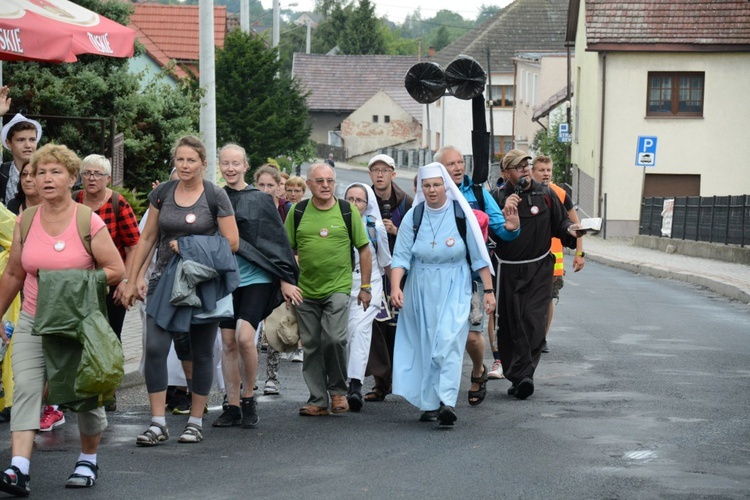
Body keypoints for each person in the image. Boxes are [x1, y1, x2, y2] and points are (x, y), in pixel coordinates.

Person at [0, 144, 124, 493]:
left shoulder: (88, 220)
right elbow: (13, 274)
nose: (46, 178)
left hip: (77, 324)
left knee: (83, 394)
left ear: (72, 179)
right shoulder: (25, 219)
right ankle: (19, 468)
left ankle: (88, 459)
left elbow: (115, 269)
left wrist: (71, 282)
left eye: (56, 172)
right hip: (32, 320)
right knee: (25, 388)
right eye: (40, 172)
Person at [121, 135, 239, 445]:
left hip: (203, 285)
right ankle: (158, 422)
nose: (184, 165)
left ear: (203, 163)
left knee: (201, 353)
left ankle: (195, 421)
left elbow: (232, 242)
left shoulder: (215, 197)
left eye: (191, 160)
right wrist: (132, 279)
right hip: (163, 282)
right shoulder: (162, 193)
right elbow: (146, 239)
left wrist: (187, 246)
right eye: (180, 159)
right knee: (156, 349)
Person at [389, 162, 504, 427]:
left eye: (436, 185)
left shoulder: (460, 215)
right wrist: (396, 287)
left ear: (446, 187)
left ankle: (447, 402)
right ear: (421, 188)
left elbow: (479, 257)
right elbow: (401, 257)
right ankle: (430, 403)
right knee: (426, 344)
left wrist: (488, 291)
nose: (432, 191)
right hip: (420, 285)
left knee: (449, 341)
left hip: (455, 282)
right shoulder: (413, 216)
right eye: (426, 186)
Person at [213, 144, 301, 428]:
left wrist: (286, 278)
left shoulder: (261, 199)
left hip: (257, 278)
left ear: (245, 166)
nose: (230, 168)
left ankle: (249, 396)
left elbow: (277, 242)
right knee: (227, 343)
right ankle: (233, 403)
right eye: (225, 163)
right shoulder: (214, 197)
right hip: (225, 278)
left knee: (243, 337)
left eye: (235, 163)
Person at [490, 149, 582, 400]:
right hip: (507, 269)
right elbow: (487, 233)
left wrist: (571, 231)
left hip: (540, 268)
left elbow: (560, 223)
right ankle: (516, 374)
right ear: (506, 172)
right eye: (519, 167)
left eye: (527, 166)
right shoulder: (496, 197)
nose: (526, 170)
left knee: (534, 322)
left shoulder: (547, 194)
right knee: (510, 324)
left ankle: (526, 375)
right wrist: (502, 211)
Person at [436, 145, 520, 405]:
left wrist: (512, 227)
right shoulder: (432, 193)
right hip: (439, 276)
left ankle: (477, 370)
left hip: (473, 276)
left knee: (473, 336)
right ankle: (440, 392)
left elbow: (501, 228)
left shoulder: (477, 193)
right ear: (440, 169)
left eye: (461, 162)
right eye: (451, 164)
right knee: (441, 337)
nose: (458, 167)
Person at [285, 163, 372, 416]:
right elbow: (286, 249)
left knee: (334, 338)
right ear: (309, 185)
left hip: (338, 286)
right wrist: (287, 282)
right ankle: (318, 400)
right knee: (311, 343)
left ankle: (337, 392)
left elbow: (364, 249)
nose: (325, 185)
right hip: (305, 289)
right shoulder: (298, 211)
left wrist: (365, 287)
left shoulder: (346, 211)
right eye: (319, 181)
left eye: (329, 181)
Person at [364, 153, 413, 403]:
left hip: (399, 275)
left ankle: (402, 380)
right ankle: (380, 383)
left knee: (399, 328)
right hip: (372, 273)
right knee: (376, 327)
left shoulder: (407, 202)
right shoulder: (363, 199)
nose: (380, 174)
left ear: (393, 174)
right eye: (375, 170)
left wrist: (397, 231)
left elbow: (419, 237)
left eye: (385, 170)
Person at [343, 183, 390, 411]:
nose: (354, 204)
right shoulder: (338, 223)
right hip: (341, 285)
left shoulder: (375, 227)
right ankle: (339, 383)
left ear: (367, 203)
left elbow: (385, 261)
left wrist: (397, 290)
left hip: (369, 284)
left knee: (359, 331)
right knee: (343, 335)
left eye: (358, 200)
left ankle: (355, 385)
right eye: (349, 199)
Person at [531, 156, 585, 353]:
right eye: (541, 170)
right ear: (532, 171)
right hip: (530, 257)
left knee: (547, 299)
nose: (546, 173)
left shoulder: (561, 194)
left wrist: (580, 253)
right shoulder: (525, 191)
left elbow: (577, 225)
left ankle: (541, 338)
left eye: (549, 170)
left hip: (553, 259)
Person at [253, 164, 288, 395]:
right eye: (261, 185)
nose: (266, 189)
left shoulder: (287, 211)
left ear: (279, 188)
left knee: (274, 329)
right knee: (251, 330)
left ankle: (272, 378)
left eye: (270, 185)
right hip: (253, 275)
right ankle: (250, 375)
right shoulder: (249, 207)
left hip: (278, 276)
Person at [0, 113, 42, 207]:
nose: (28, 145)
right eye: (21, 140)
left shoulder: (45, 171)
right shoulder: (2, 172)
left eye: (32, 140)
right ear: (8, 143)